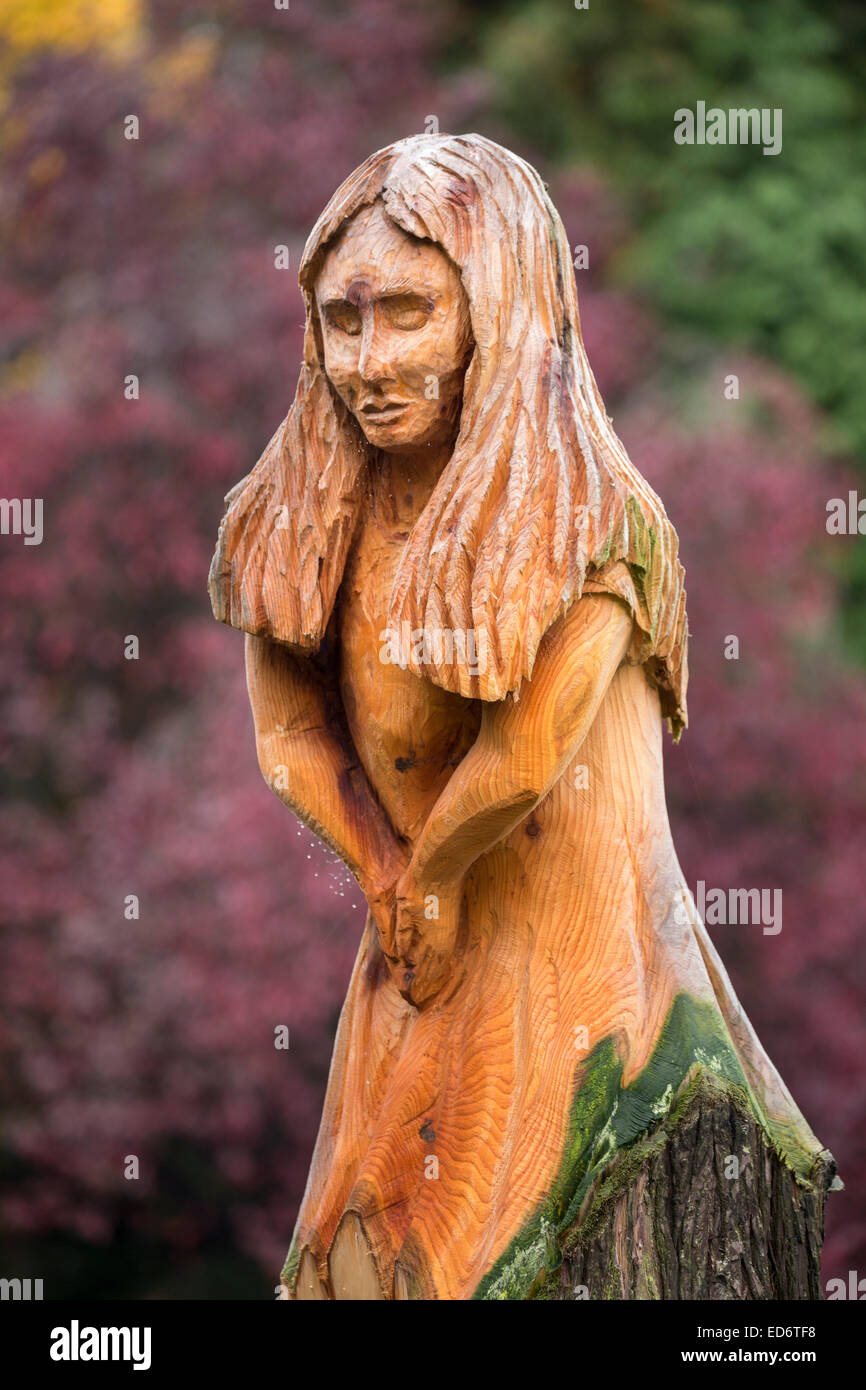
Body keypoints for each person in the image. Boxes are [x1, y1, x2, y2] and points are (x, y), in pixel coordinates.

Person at [209, 134, 826, 1300]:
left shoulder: (591, 521)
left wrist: (430, 874)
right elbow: (288, 737)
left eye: (407, 313)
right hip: (414, 956)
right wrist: (391, 877)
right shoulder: (302, 513)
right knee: (359, 1260)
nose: (368, 358)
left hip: (575, 986)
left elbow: (527, 751)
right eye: (342, 320)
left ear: (496, 308)